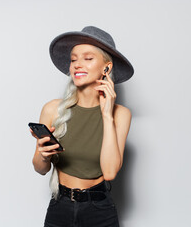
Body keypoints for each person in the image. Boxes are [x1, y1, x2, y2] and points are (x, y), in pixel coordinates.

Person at [30, 26, 134, 227]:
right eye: (73, 59)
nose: (77, 64)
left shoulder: (120, 114)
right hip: (59, 207)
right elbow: (40, 169)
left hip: (99, 210)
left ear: (106, 68)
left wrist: (106, 115)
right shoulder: (52, 109)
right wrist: (43, 154)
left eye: (88, 58)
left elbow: (110, 172)